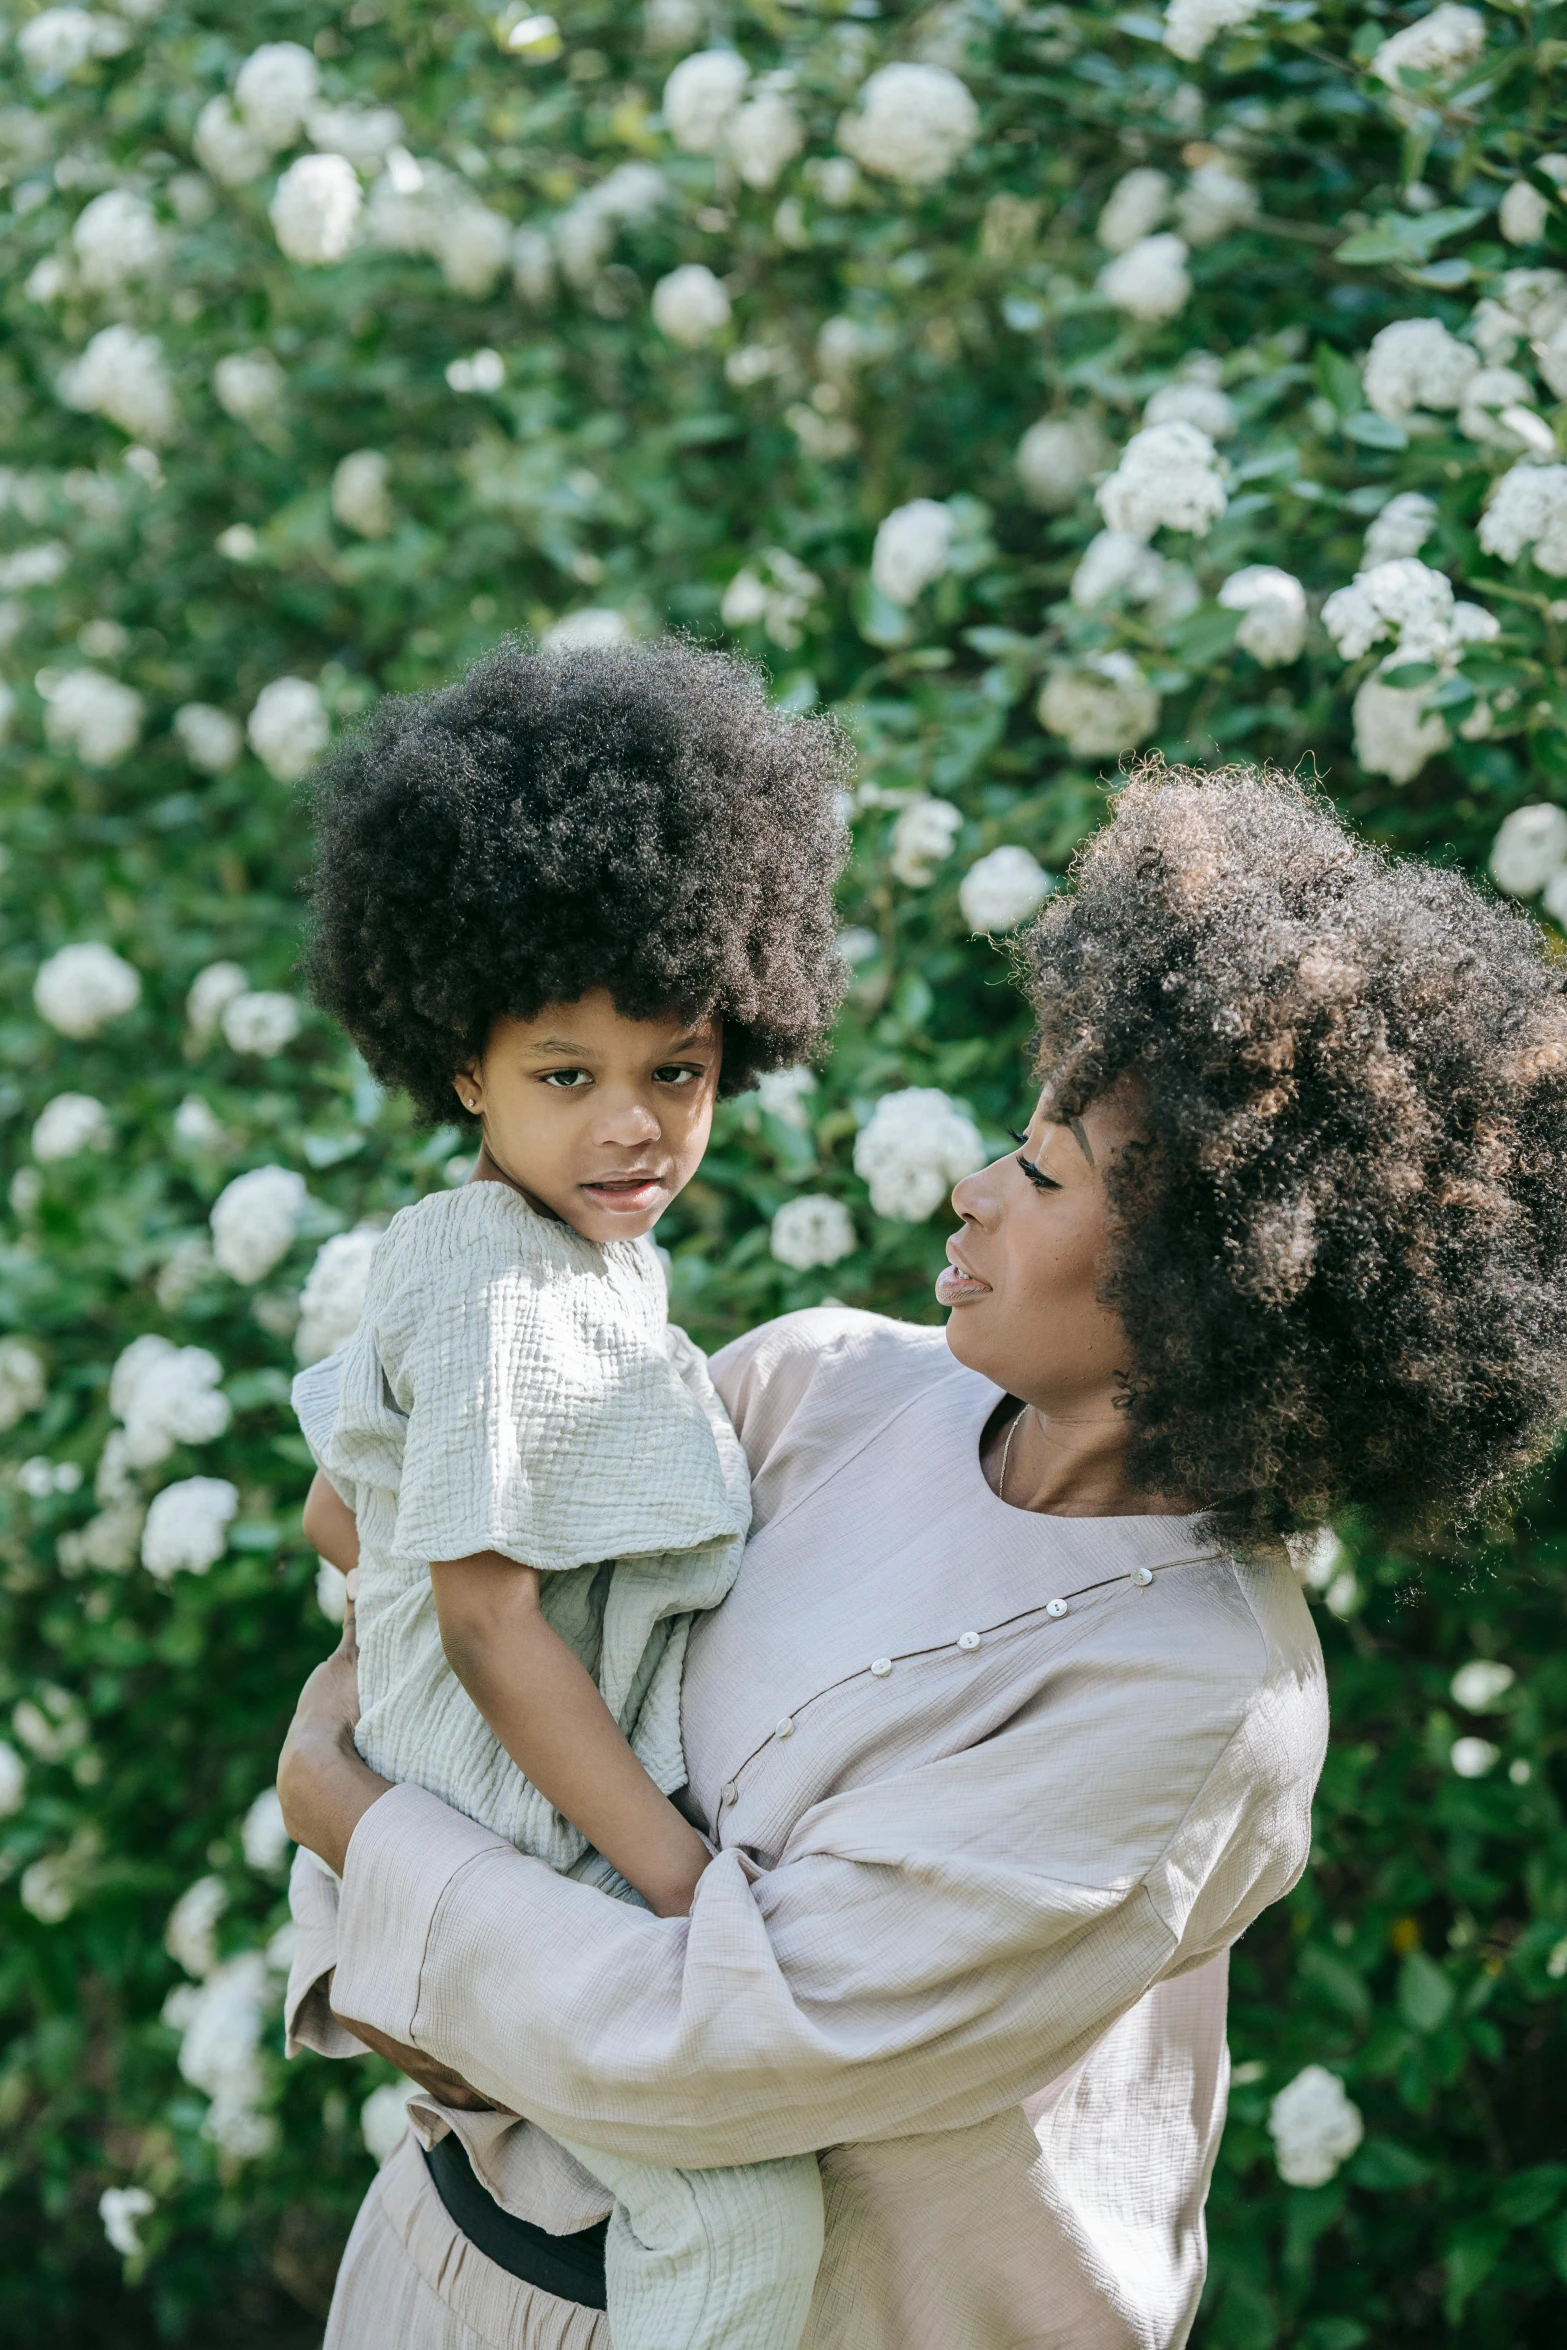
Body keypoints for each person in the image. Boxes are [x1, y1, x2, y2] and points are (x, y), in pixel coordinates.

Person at [280, 764, 1567, 2350]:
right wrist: (367, 1905)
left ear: (1212, 1291)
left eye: (1039, 1173)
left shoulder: (1191, 1695)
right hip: (435, 2267)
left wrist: (351, 1820)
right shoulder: (818, 1381)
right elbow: (439, 1610)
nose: (971, 1187)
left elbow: (720, 2051)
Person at [290, 636, 849, 2350]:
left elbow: (339, 1507)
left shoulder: (519, 1253)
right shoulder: (502, 1281)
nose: (633, 1128)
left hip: (502, 1813)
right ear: (461, 1064)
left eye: (674, 1070)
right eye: (565, 1075)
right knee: (744, 2210)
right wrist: (681, 1889)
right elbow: (479, 1611)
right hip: (527, 1837)